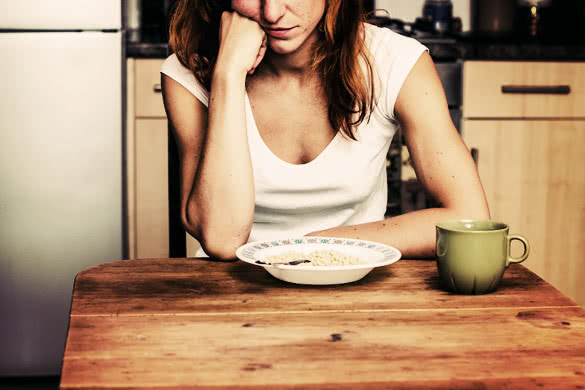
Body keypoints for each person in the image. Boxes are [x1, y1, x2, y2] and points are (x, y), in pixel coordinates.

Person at [160, 0, 490, 260]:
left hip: (353, 282)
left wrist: (308, 249)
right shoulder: (187, 72)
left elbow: (468, 216)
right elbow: (221, 240)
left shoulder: (395, 61)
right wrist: (228, 73)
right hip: (228, 294)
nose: (272, 12)